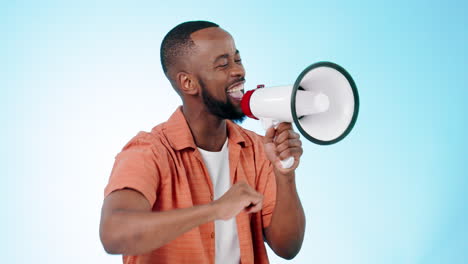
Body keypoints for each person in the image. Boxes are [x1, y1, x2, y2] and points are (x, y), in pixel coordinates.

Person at [99, 20, 305, 264]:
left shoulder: (260, 150)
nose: (239, 71)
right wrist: (216, 210)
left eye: (237, 60)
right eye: (223, 64)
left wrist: (285, 174)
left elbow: (287, 247)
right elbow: (114, 235)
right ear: (188, 83)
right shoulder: (148, 152)